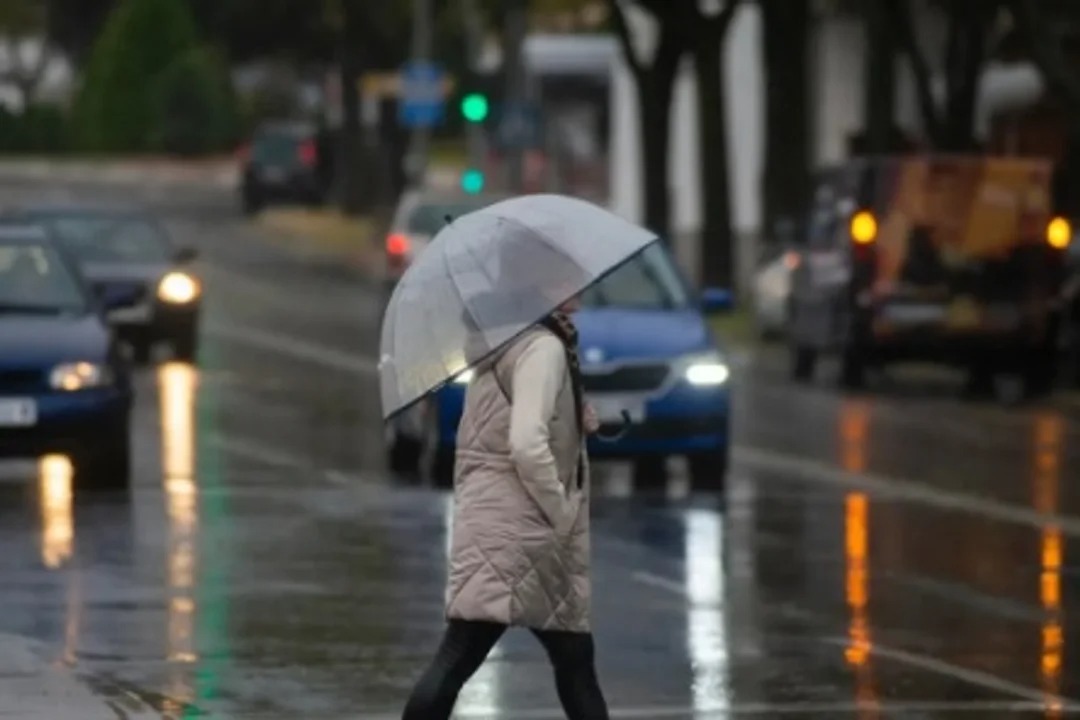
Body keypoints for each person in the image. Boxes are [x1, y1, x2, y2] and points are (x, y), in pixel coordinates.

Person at [402, 251, 609, 719]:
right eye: (564, 274)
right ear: (537, 284)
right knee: (464, 655)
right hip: (525, 529)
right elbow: (525, 442)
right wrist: (559, 509)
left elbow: (506, 420)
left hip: (499, 519)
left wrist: (577, 418)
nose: (579, 281)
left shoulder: (509, 338)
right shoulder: (543, 347)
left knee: (571, 661)